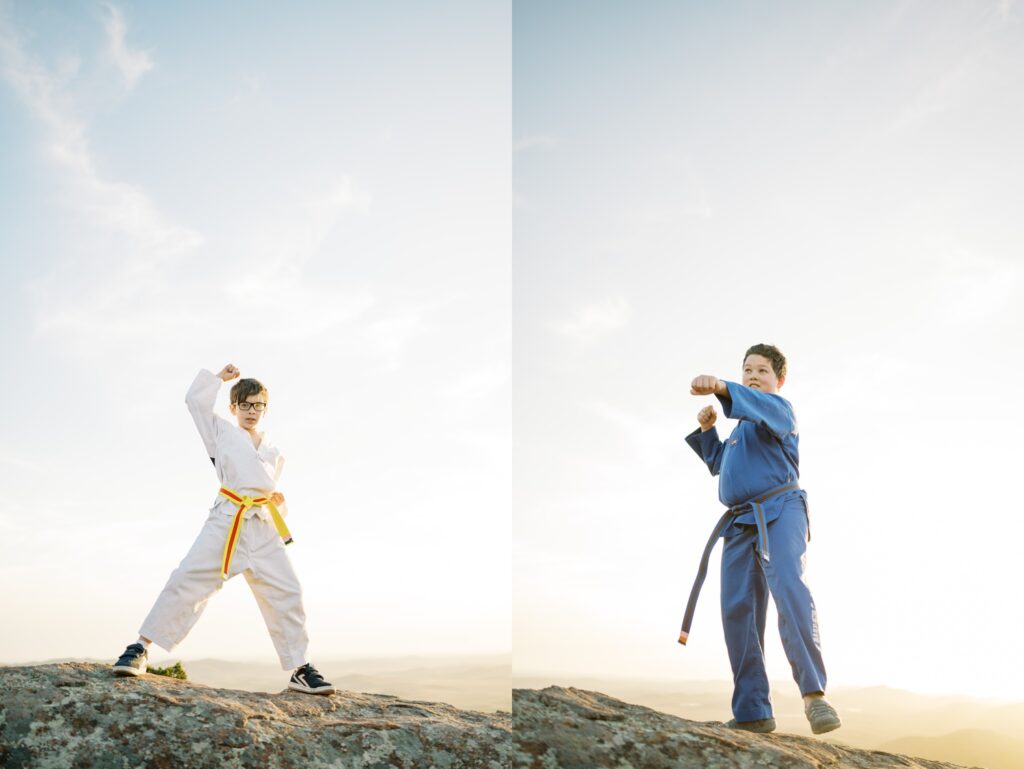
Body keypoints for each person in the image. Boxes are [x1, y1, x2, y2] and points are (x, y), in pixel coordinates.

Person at [112, 364, 334, 695]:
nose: (252, 411)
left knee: (288, 591)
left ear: (266, 408)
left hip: (262, 527)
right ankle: (141, 648)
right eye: (245, 404)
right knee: (188, 578)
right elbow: (195, 401)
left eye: (258, 405)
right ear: (233, 408)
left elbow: (264, 489)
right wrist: (218, 379)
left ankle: (300, 668)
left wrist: (278, 501)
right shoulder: (220, 432)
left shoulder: (274, 451)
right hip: (227, 521)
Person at [682, 344, 840, 734]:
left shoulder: (779, 411)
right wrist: (708, 433)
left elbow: (753, 403)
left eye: (762, 371)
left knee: (788, 584)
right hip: (738, 524)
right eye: (747, 369)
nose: (753, 375)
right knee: (738, 611)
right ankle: (753, 710)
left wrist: (722, 386)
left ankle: (814, 696)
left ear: (778, 380)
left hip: (780, 509)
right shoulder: (738, 433)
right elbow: (722, 466)